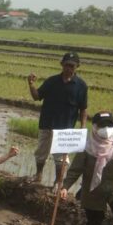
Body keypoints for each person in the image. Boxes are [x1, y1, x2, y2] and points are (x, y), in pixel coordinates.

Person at [28, 52, 88, 185]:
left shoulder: (81, 86)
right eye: (66, 65)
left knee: (60, 158)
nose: (69, 68)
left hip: (65, 129)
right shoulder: (51, 81)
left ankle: (58, 182)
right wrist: (31, 84)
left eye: (72, 66)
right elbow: (37, 96)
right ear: (62, 64)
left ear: (77, 66)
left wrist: (83, 126)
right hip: (47, 123)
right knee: (41, 152)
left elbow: (83, 108)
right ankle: (38, 175)